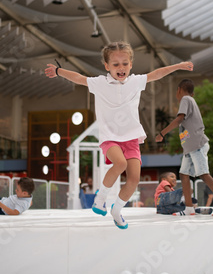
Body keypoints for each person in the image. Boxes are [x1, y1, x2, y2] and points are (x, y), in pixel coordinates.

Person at [45, 41, 193, 229]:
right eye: (115, 64)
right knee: (120, 163)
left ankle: (117, 210)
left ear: (131, 64)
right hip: (110, 136)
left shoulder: (136, 81)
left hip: (131, 138)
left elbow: (157, 73)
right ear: (107, 66)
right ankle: (101, 198)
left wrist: (178, 66)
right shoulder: (99, 83)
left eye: (125, 63)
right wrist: (59, 71)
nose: (121, 68)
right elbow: (79, 78)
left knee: (134, 179)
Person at [156, 79, 213, 216]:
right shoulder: (190, 100)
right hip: (190, 148)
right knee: (184, 174)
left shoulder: (185, 99)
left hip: (197, 145)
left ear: (179, 90)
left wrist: (162, 133)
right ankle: (189, 208)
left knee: (203, 173)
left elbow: (179, 119)